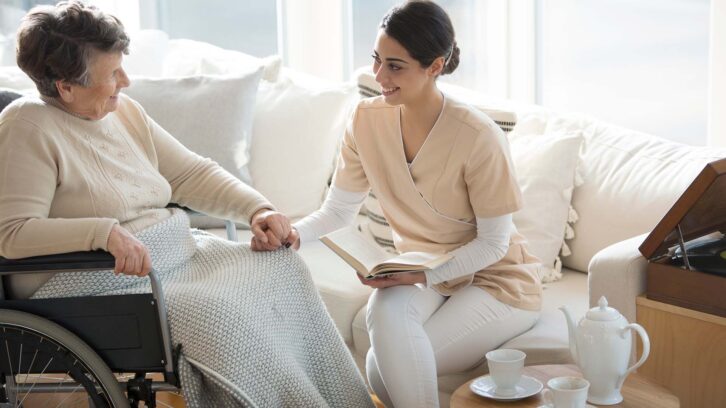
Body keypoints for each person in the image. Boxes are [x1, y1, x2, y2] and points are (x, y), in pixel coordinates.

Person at [0, 2, 373, 407]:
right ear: (65, 86)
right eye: (112, 74)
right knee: (219, 316)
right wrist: (103, 233)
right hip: (94, 278)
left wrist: (257, 209)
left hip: (168, 256)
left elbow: (189, 174)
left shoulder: (124, 112)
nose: (126, 81)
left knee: (281, 268)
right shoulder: (27, 126)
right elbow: (12, 232)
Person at [267, 1, 543, 407]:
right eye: (376, 60)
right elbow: (339, 211)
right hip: (421, 265)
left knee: (386, 370)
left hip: (496, 280)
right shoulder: (365, 120)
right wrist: (291, 235)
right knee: (385, 314)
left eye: (395, 66)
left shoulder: (478, 136)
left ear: (435, 66)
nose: (379, 76)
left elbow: (493, 244)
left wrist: (420, 276)